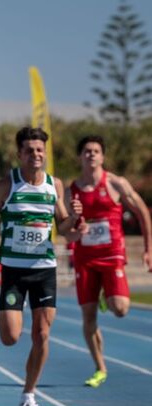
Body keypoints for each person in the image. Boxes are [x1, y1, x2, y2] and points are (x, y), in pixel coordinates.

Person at [0, 126, 83, 406]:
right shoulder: (5, 186)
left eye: (39, 150)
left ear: (44, 153)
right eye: (29, 150)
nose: (35, 154)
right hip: (14, 271)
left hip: (44, 270)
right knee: (10, 337)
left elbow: (64, 228)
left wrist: (75, 220)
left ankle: (29, 393)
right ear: (19, 154)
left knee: (42, 334)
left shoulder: (54, 185)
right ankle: (13, 313)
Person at [66, 135, 152, 388]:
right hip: (85, 258)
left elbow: (142, 212)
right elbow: (65, 229)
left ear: (102, 156)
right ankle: (100, 368)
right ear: (80, 157)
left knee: (121, 309)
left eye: (96, 151)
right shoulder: (72, 191)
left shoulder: (116, 183)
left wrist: (149, 249)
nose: (91, 154)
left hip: (112, 255)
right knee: (88, 315)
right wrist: (75, 230)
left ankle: (107, 293)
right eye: (87, 151)